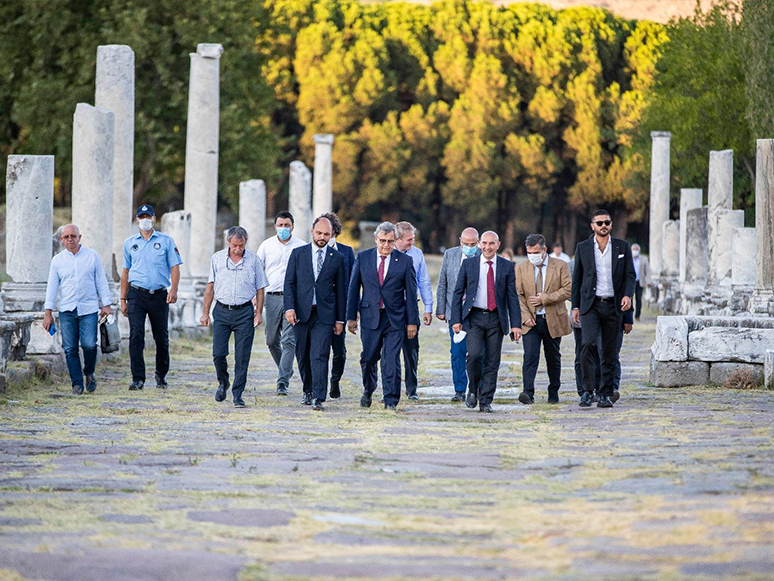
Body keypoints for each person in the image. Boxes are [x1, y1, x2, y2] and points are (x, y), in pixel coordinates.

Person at [347, 222, 418, 411]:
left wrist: (412, 322)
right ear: (376, 239)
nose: (386, 245)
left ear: (395, 241)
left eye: (391, 241)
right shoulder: (363, 258)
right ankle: (368, 389)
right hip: (370, 316)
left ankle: (390, 400)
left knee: (391, 359)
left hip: (395, 318)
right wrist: (351, 317)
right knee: (368, 358)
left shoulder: (404, 261)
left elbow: (411, 294)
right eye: (383, 241)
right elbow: (354, 288)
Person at [451, 231, 521, 413]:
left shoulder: (507, 266)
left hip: (496, 318)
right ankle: (472, 389)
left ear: (498, 245)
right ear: (479, 244)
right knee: (473, 356)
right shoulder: (469, 264)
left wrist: (515, 324)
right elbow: (458, 292)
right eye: (484, 243)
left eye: (492, 244)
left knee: (492, 360)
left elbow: (512, 297)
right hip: (474, 317)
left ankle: (486, 400)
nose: (488, 247)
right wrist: (456, 319)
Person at [571, 209, 635, 408]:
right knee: (587, 345)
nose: (603, 226)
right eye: (599, 223)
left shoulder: (621, 247)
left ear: (611, 224)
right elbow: (577, 280)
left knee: (609, 351)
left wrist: (627, 295)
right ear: (592, 226)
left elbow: (630, 276)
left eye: (607, 222)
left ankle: (605, 393)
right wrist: (575, 306)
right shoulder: (582, 248)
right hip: (591, 305)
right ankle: (587, 391)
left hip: (613, 305)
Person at [200, 227, 267, 408]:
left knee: (242, 356)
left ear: (246, 243)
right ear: (229, 242)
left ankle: (238, 394)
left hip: (244, 312)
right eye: (235, 245)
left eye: (241, 245)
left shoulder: (254, 261)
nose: (238, 249)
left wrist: (258, 313)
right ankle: (223, 382)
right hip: (221, 311)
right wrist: (205, 313)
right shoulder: (217, 259)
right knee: (218, 353)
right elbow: (210, 288)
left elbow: (260, 289)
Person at [284, 217, 346, 411]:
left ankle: (319, 396)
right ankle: (307, 390)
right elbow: (289, 283)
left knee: (319, 354)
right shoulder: (298, 254)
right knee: (302, 354)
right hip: (301, 313)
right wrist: (289, 308)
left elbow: (341, 291)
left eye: (326, 234)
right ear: (312, 232)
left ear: (331, 235)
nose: (322, 237)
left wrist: (340, 319)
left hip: (324, 315)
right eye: (319, 233)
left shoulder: (337, 258)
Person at [43, 225, 112, 395]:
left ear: (79, 237)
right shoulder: (57, 261)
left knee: (89, 345)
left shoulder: (91, 255)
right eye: (66, 237)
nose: (70, 239)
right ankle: (77, 384)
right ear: (61, 240)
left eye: (73, 236)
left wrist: (107, 304)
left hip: (88, 308)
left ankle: (89, 372)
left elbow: (101, 281)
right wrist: (48, 312)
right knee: (70, 348)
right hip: (67, 309)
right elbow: (52, 287)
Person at [120, 205, 181, 391]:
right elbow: (125, 271)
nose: (145, 220)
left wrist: (174, 289)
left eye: (148, 216)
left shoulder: (165, 241)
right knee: (136, 336)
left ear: (154, 218)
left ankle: (161, 375)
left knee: (161, 337)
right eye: (141, 217)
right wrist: (123, 299)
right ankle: (138, 378)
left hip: (159, 294)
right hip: (136, 294)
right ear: (137, 219)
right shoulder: (130, 243)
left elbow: (175, 266)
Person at [515, 233, 572, 404]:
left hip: (552, 319)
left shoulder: (561, 266)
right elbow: (517, 294)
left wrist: (545, 298)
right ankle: (527, 392)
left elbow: (567, 290)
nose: (532, 256)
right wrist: (525, 316)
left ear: (544, 250)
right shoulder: (521, 268)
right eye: (529, 252)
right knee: (530, 356)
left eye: (535, 252)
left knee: (553, 357)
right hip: (531, 321)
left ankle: (553, 391)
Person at [256, 211, 306, 396]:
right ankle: (285, 368)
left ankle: (282, 382)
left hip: (293, 298)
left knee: (288, 340)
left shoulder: (301, 246)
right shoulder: (266, 245)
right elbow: (258, 270)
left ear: (293, 226)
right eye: (280, 225)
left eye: (287, 225)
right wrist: (256, 295)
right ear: (275, 226)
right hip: (272, 296)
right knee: (271, 340)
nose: (283, 228)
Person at [436, 227, 481, 402]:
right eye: (465, 243)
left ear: (477, 243)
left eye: (472, 244)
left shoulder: (482, 256)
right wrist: (441, 309)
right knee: (457, 352)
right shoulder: (450, 255)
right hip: (455, 311)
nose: (469, 247)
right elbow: (443, 282)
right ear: (460, 241)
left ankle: (476, 387)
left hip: (476, 311)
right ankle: (459, 389)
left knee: (477, 352)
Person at [391, 221, 433, 401]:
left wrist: (428, 307)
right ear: (398, 239)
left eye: (413, 239)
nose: (412, 243)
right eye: (409, 240)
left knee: (411, 351)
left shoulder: (417, 254)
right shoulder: (387, 253)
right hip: (391, 307)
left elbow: (423, 281)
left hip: (411, 306)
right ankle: (390, 388)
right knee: (390, 351)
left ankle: (411, 388)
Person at [322, 212, 355, 399]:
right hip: (320, 308)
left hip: (340, 308)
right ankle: (318, 384)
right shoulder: (313, 251)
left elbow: (352, 283)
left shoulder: (347, 252)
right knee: (320, 350)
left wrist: (352, 311)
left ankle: (335, 380)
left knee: (339, 351)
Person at [631, 243, 651, 321]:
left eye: (636, 250)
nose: (635, 251)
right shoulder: (628, 258)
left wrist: (648, 281)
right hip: (631, 282)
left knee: (638, 299)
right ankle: (630, 315)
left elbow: (648, 271)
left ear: (639, 250)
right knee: (630, 299)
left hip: (640, 281)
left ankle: (637, 315)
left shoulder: (644, 259)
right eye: (633, 249)